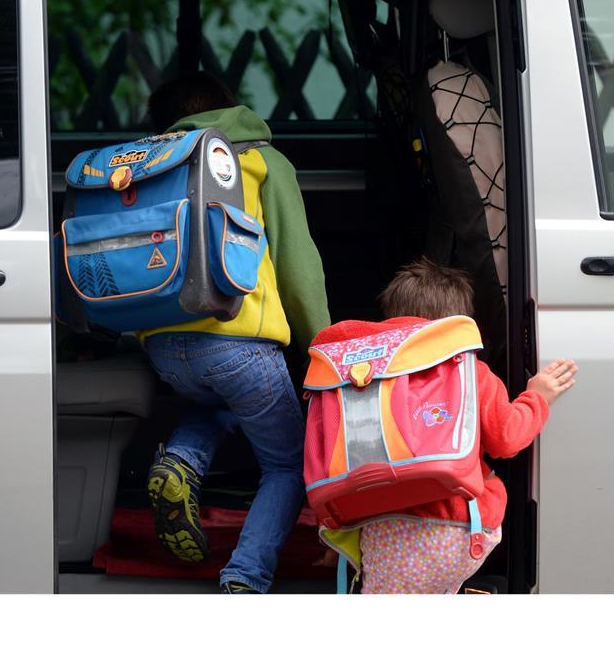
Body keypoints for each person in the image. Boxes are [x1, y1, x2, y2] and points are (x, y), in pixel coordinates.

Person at [137, 72, 330, 594]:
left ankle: (180, 460)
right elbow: (298, 266)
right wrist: (327, 348)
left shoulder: (146, 163)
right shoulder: (258, 160)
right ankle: (246, 578)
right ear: (230, 108)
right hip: (239, 342)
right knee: (287, 465)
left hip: (163, 348)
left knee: (218, 403)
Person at [311, 258, 576, 593]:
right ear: (457, 326)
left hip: (379, 533)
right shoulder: (470, 373)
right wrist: (536, 398)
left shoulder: (363, 380)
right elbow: (507, 439)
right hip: (458, 529)